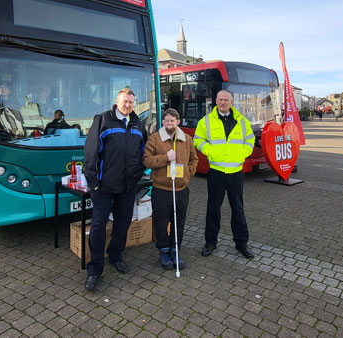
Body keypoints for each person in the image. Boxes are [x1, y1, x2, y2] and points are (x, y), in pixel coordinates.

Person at [82, 88, 147, 291]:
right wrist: (93, 180)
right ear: (117, 102)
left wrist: (136, 174)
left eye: (130, 102)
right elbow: (91, 151)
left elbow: (142, 152)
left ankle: (115, 255)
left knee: (123, 222)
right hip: (103, 186)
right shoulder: (103, 120)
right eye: (124, 101)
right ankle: (94, 269)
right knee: (99, 226)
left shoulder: (138, 124)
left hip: (127, 185)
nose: (127, 105)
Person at [194, 90, 255, 260]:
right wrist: (209, 151)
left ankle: (241, 243)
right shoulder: (206, 121)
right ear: (215, 101)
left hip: (235, 172)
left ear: (231, 101)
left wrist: (244, 153)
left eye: (226, 100)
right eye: (220, 99)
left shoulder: (241, 121)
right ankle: (210, 242)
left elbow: (250, 140)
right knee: (213, 208)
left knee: (238, 209)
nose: (223, 102)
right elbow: (197, 140)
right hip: (216, 172)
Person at [142, 108, 198, 270]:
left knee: (178, 222)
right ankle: (164, 251)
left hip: (181, 189)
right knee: (161, 222)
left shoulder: (187, 139)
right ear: (163, 122)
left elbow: (194, 158)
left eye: (172, 121)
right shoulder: (154, 139)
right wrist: (165, 158)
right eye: (166, 121)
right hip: (161, 189)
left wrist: (189, 173)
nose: (169, 123)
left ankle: (175, 249)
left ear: (178, 122)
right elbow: (147, 161)